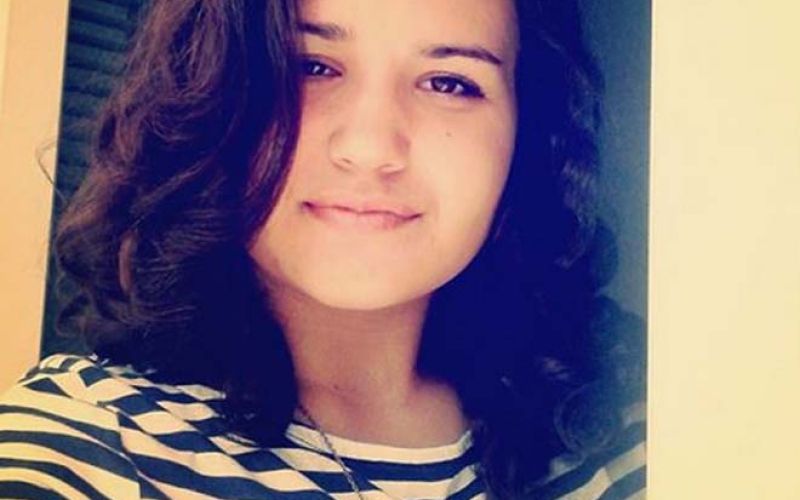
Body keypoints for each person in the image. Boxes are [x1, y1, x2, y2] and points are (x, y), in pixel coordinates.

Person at [0, 0, 645, 498]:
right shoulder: (84, 448)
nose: (370, 147)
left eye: (449, 82)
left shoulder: (623, 439)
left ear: (525, 136)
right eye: (311, 66)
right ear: (213, 97)